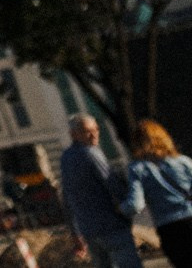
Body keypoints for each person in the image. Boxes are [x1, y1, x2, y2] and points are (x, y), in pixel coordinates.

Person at [61, 114, 145, 268]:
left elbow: (67, 197)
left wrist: (75, 231)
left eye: (96, 129)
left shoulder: (66, 159)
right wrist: (125, 208)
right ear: (74, 134)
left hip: (89, 230)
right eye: (88, 131)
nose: (94, 134)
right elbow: (111, 183)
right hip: (112, 226)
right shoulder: (91, 153)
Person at [128, 120, 192, 268]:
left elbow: (135, 204)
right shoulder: (183, 161)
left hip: (169, 228)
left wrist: (120, 209)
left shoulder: (137, 168)